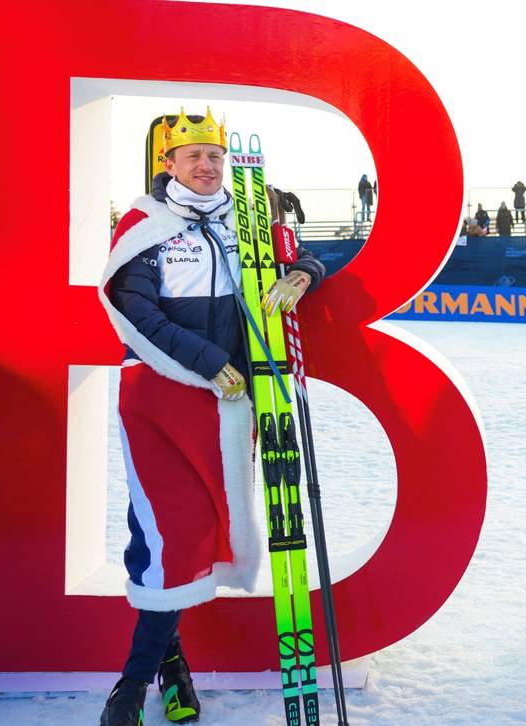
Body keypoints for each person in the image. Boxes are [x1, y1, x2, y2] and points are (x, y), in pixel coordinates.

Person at [98, 108, 326, 726]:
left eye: (215, 156)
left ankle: (170, 669)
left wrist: (302, 274)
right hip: (164, 397)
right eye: (193, 156)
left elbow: (303, 255)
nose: (206, 166)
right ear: (167, 164)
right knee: (165, 537)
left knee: (203, 534)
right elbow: (135, 311)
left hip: (229, 405)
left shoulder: (248, 217)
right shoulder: (146, 223)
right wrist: (207, 361)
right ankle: (133, 687)